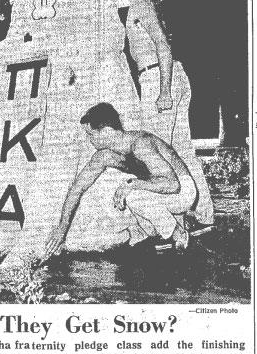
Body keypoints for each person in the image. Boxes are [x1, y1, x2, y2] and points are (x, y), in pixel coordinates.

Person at [70, 0, 213, 227]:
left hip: (160, 77)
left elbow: (163, 45)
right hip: (164, 76)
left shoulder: (144, 4)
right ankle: (200, 213)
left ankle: (177, 219)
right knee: (180, 148)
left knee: (158, 150)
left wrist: (163, 90)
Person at [44, 102, 198, 260]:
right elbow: (77, 189)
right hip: (161, 193)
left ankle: (178, 233)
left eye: (91, 134)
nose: (88, 140)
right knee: (123, 188)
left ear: (106, 132)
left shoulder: (141, 143)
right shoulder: (104, 156)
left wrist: (133, 184)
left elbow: (173, 185)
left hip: (183, 191)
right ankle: (156, 230)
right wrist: (61, 229)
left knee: (131, 192)